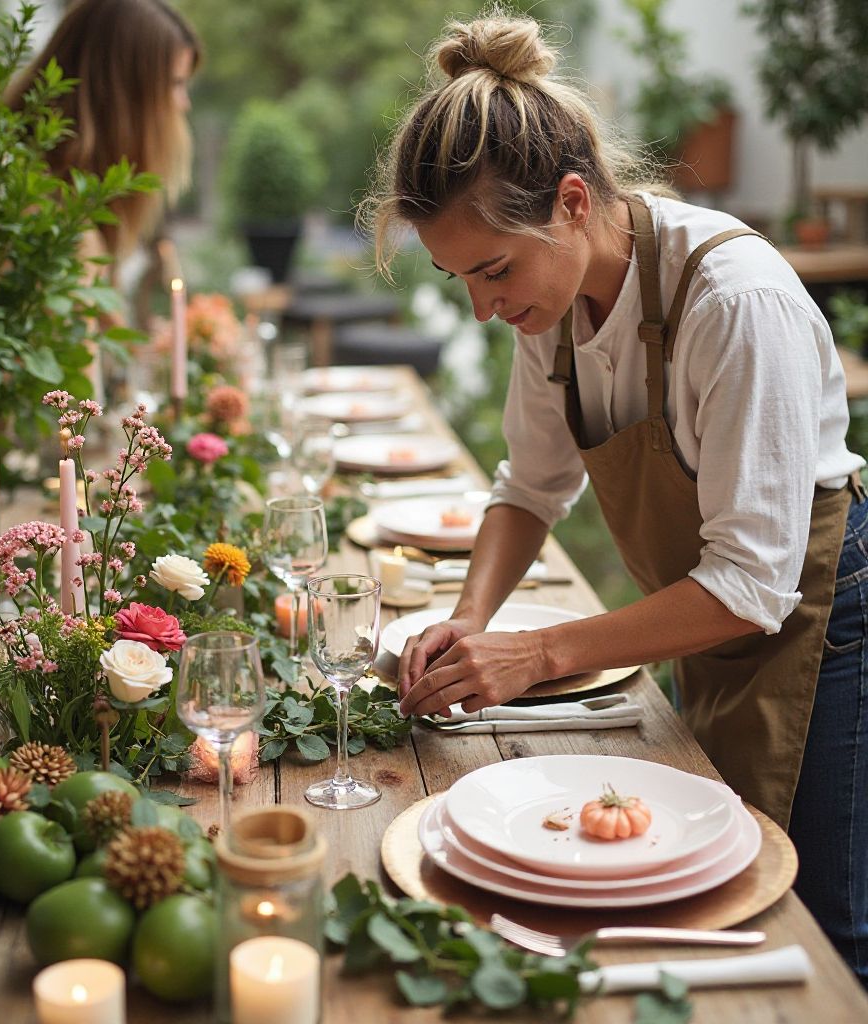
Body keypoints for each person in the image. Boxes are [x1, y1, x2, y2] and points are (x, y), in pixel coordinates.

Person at [367, 12, 868, 984]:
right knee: (719, 903)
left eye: (492, 269)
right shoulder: (548, 304)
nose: (481, 306)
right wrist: (465, 626)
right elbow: (529, 485)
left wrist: (534, 651)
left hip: (823, 623)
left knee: (823, 929)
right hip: (703, 617)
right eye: (456, 277)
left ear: (568, 201)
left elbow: (752, 580)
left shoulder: (730, 299)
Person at [6, 0, 201, 271]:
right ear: (123, 90)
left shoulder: (81, 193)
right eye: (175, 83)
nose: (184, 103)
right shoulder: (5, 187)